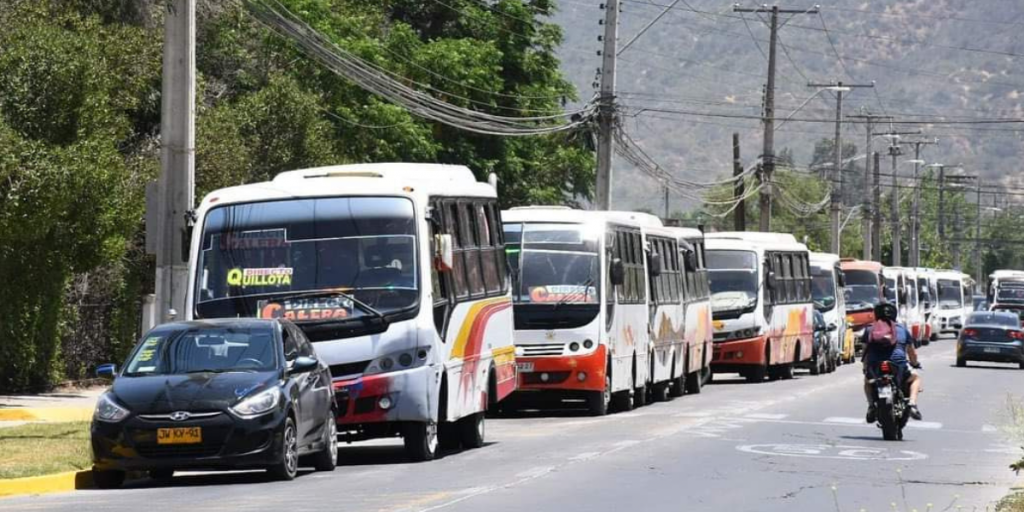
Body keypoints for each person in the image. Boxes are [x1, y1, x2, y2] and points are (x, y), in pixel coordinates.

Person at [862, 302, 923, 423]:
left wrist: (866, 368)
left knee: (867, 381)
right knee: (916, 378)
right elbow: (912, 353)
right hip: (898, 365)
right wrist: (915, 363)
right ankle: (912, 404)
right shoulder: (902, 329)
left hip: (875, 365)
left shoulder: (869, 329)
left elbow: (865, 353)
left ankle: (871, 406)